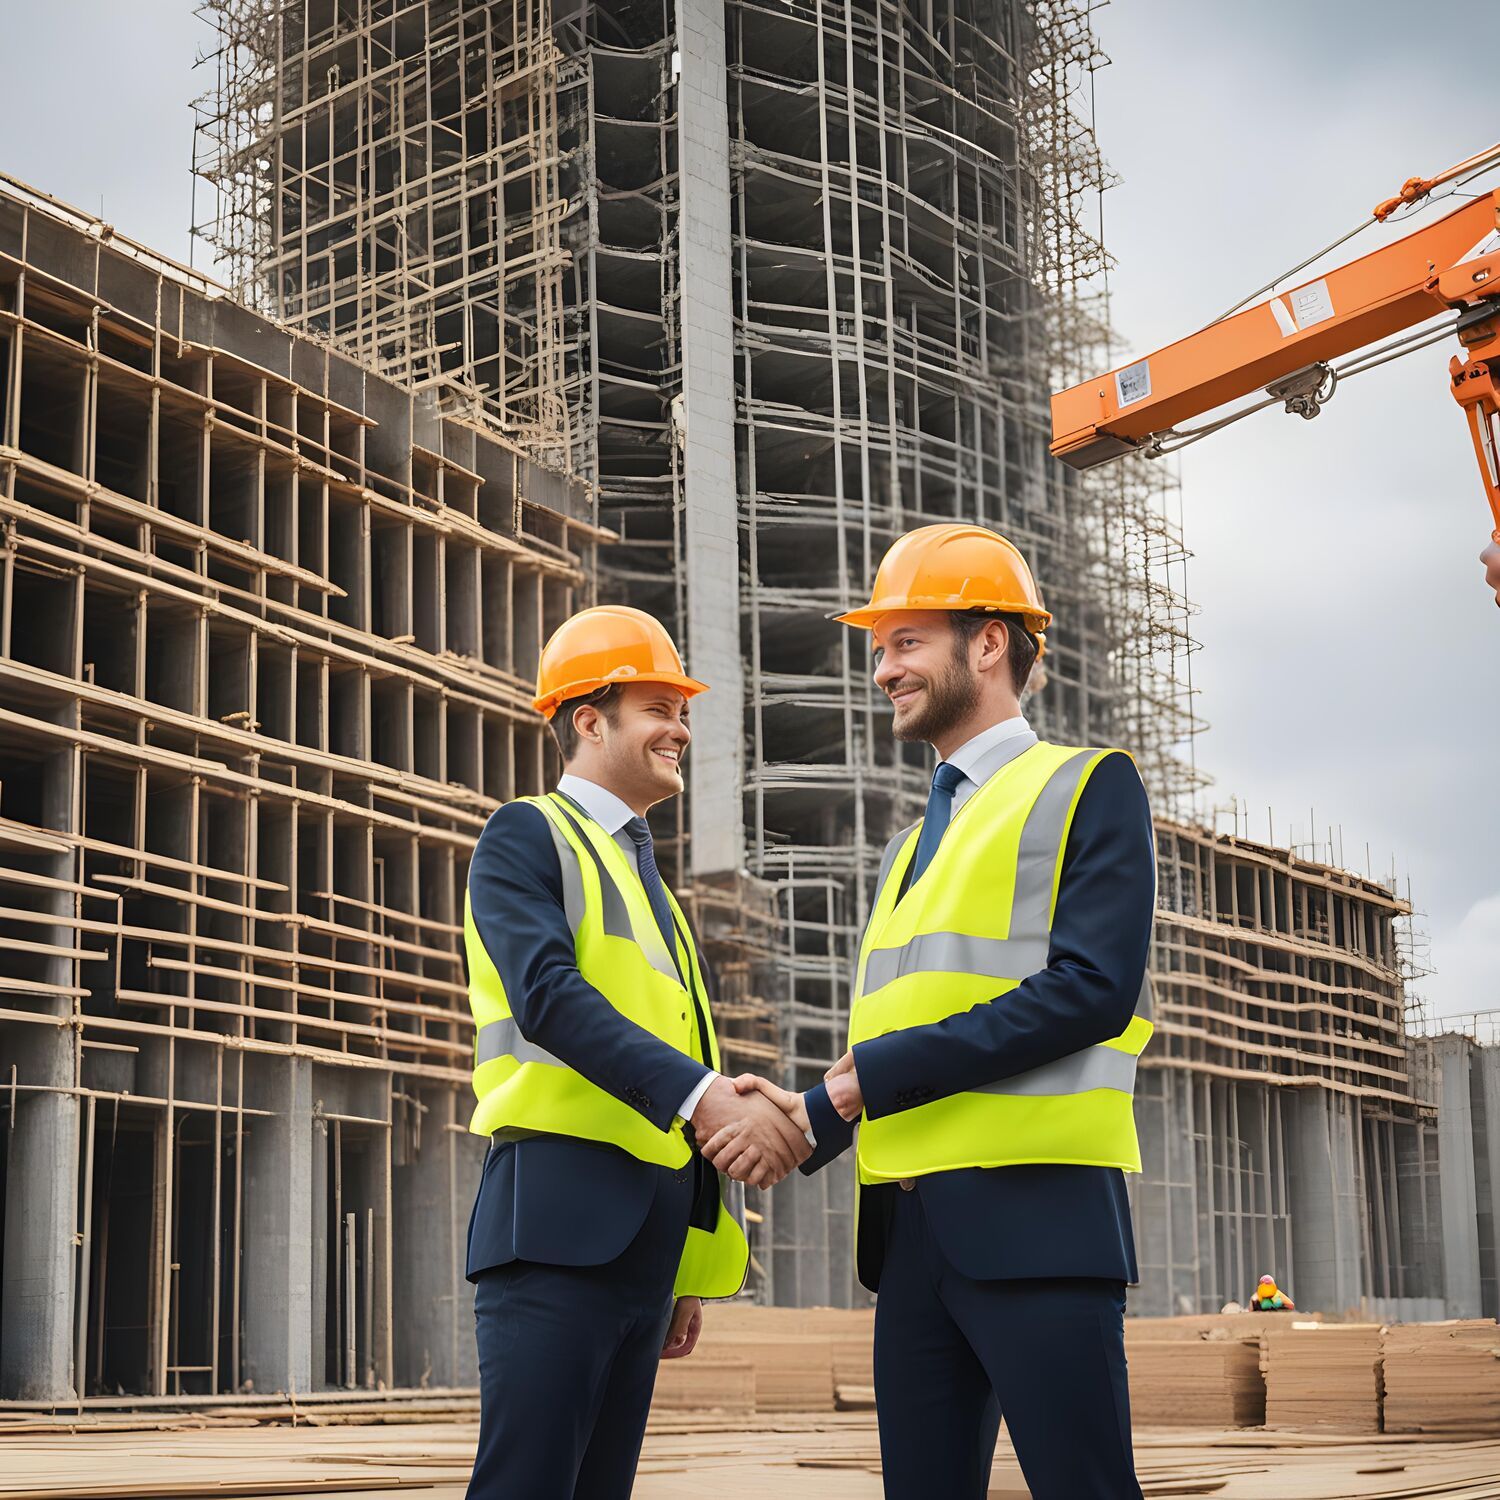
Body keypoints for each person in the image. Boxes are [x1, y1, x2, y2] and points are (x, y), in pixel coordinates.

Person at [707, 524, 1156, 1500]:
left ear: (987, 642)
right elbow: (903, 1026)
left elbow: (1089, 992)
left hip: (1039, 1227)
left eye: (905, 641)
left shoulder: (1087, 786)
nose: (882, 671)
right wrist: (801, 1120)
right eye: (880, 649)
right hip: (912, 1247)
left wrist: (833, 1100)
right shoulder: (908, 847)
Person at [463, 604, 809, 1500]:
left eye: (683, 713)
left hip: (641, 1256)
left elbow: (678, 1064)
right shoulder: (526, 835)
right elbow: (548, 999)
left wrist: (685, 1270)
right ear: (589, 718)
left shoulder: (652, 882)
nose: (680, 730)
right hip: (554, 1233)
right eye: (660, 708)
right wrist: (705, 1099)